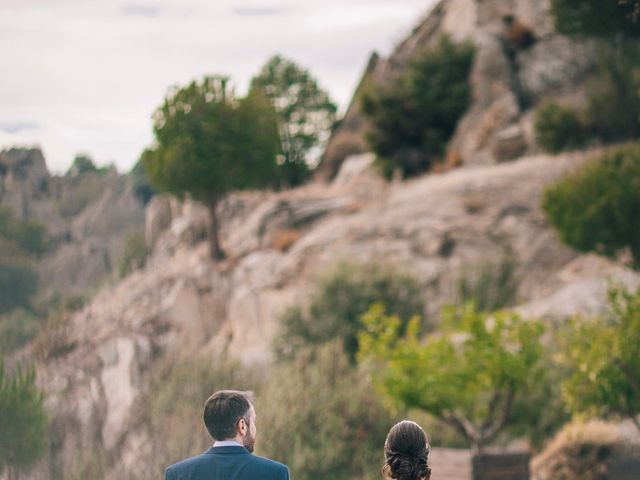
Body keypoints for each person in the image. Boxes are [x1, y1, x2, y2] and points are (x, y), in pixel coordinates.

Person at [164, 390, 289, 480]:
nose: (255, 428)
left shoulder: (177, 474)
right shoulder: (274, 473)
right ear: (242, 426)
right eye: (253, 421)